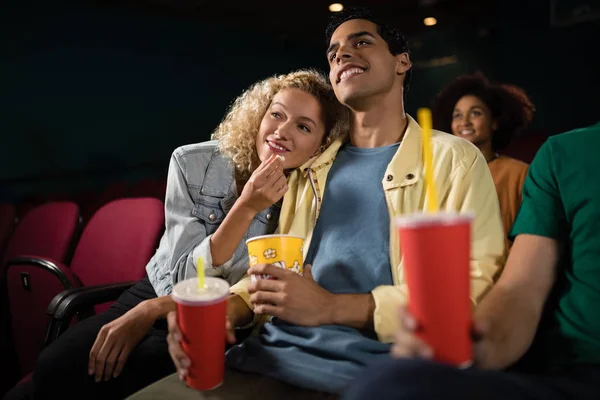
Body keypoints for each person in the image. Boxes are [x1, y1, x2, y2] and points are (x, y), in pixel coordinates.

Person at [128, 6, 506, 399]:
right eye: (333, 52)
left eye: (361, 42)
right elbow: (274, 272)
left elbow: (470, 293)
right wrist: (228, 309)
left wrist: (332, 308)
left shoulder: (453, 160)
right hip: (266, 356)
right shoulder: (311, 167)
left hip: (383, 372)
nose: (342, 54)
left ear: (402, 61)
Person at [3, 69, 346, 400]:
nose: (282, 131)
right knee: (58, 366)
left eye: (303, 126)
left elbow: (257, 295)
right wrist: (245, 207)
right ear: (259, 116)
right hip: (161, 289)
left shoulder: (307, 196)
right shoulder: (192, 162)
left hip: (227, 315)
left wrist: (152, 311)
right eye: (276, 114)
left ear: (317, 148)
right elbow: (185, 276)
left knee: (133, 376)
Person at [343, 122, 600, 400]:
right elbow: (522, 287)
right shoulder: (564, 153)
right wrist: (478, 347)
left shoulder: (466, 161)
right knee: (388, 386)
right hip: (581, 375)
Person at [433, 72, 535, 246]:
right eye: (457, 115)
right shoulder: (439, 176)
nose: (464, 122)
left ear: (495, 122)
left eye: (475, 113)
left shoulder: (519, 173)